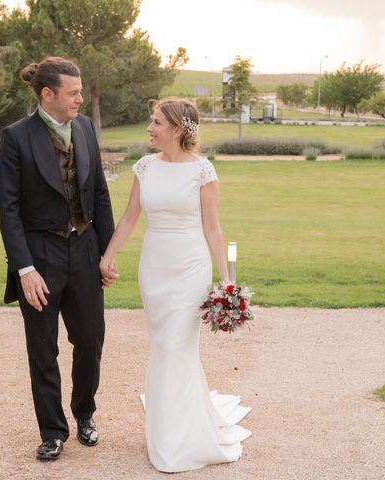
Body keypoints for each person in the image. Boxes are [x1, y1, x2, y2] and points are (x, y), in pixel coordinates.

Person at [99, 97, 252, 472]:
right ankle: (167, 429)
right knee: (163, 346)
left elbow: (212, 227)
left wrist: (226, 279)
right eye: (150, 121)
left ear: (178, 129)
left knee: (174, 345)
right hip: (155, 267)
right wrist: (108, 255)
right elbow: (131, 217)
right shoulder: (145, 166)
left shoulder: (203, 171)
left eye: (156, 122)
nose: (149, 128)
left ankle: (178, 440)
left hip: (189, 266)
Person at [0, 56, 116, 461]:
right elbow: (8, 209)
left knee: (91, 339)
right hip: (40, 257)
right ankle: (52, 431)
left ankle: (84, 412)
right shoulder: (15, 137)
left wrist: (107, 253)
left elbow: (99, 192)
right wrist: (24, 268)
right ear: (48, 95)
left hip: (84, 249)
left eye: (80, 91)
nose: (80, 98)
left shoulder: (84, 128)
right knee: (42, 349)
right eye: (74, 92)